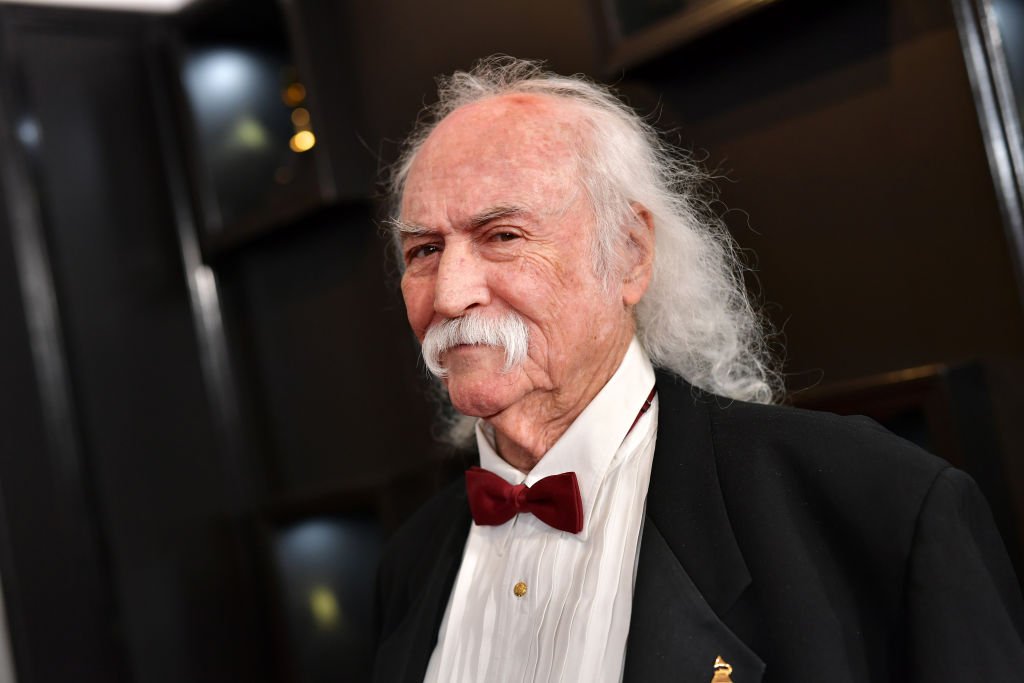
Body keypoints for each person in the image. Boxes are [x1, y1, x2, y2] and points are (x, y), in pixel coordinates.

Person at [372, 57, 1024, 683]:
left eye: (503, 235)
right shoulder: (410, 563)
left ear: (628, 255)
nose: (451, 294)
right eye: (424, 249)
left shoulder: (881, 506)